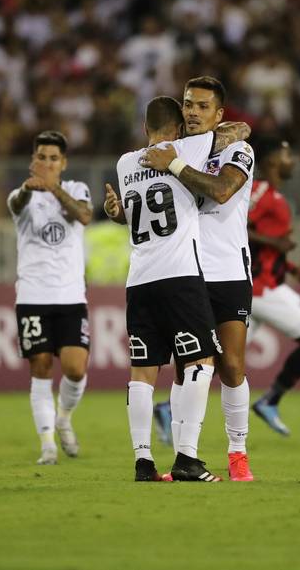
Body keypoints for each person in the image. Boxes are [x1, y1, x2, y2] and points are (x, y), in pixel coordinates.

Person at [105, 96, 249, 482]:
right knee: (201, 362)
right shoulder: (187, 149)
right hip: (180, 276)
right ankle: (187, 458)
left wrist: (117, 213)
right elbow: (235, 133)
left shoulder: (125, 163)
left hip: (139, 280)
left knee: (142, 372)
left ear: (144, 128)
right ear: (180, 127)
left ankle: (143, 462)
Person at [142, 76, 256, 482]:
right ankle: (183, 458)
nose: (192, 111)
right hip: (185, 272)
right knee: (186, 367)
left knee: (232, 366)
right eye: (188, 104)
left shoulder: (238, 150)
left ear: (219, 113)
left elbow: (223, 191)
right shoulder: (175, 150)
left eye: (203, 106)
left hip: (228, 272)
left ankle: (238, 451)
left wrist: (174, 165)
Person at [8, 130, 92, 466]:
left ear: (63, 162)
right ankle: (47, 445)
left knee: (75, 369)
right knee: (40, 367)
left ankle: (64, 418)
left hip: (70, 296)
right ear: (33, 160)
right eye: (41, 157)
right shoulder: (22, 194)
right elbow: (16, 204)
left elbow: (83, 215)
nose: (47, 163)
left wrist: (53, 187)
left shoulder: (76, 189)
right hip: (32, 295)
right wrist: (31, 188)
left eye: (53, 158)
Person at [247, 137, 300, 436]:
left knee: (224, 360)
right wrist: (275, 242)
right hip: (260, 288)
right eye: (287, 154)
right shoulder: (260, 191)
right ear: (271, 161)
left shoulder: (275, 196)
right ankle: (270, 400)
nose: (293, 160)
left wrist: (293, 269)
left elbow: (266, 252)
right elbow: (236, 227)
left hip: (260, 285)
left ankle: (169, 408)